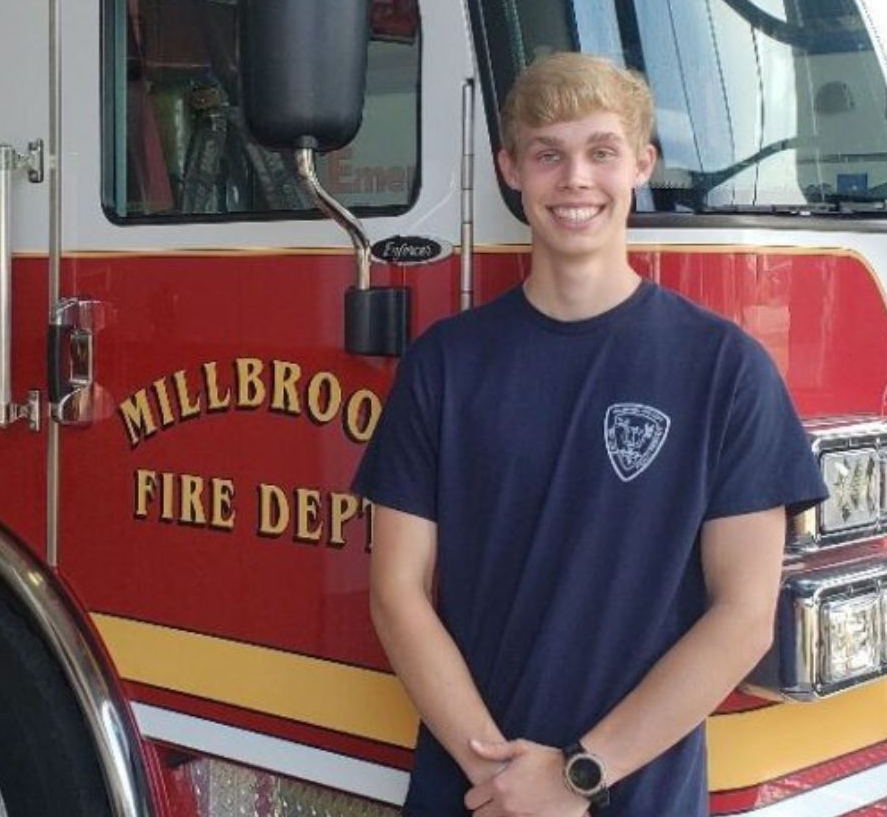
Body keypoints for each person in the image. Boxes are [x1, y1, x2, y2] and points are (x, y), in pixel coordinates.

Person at [351, 52, 828, 816]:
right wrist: (502, 780)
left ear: (642, 164)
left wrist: (579, 774)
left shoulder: (725, 370)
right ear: (511, 169)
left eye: (601, 152)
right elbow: (396, 593)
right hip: (473, 794)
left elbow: (742, 616)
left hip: (640, 793)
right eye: (548, 154)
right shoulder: (444, 364)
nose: (575, 179)